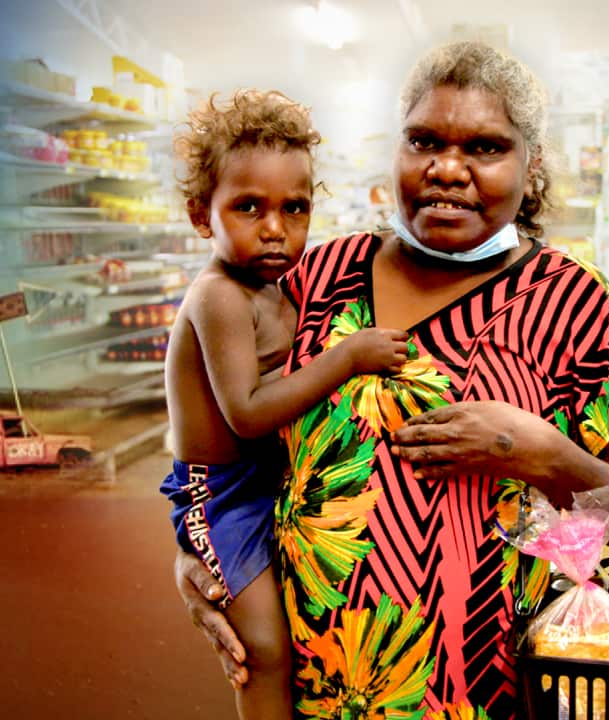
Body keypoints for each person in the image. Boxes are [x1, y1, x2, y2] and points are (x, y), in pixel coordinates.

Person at [174, 43, 609, 719]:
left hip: (493, 699)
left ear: (530, 169)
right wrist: (198, 554)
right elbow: (236, 442)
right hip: (320, 699)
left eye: (486, 148)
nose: (446, 169)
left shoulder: (576, 308)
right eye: (423, 141)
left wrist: (541, 455)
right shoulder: (314, 280)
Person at [160, 89, 410, 720]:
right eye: (248, 207)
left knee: (285, 631)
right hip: (218, 492)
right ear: (200, 214)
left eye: (294, 209)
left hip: (266, 481)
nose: (275, 228)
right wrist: (347, 358)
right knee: (261, 644)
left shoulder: (277, 285)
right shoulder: (221, 296)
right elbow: (245, 410)